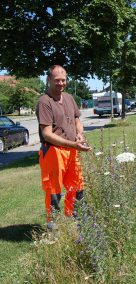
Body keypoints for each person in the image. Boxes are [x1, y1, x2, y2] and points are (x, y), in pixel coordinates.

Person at [36, 65, 91, 230]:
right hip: (53, 151)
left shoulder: (68, 97)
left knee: (77, 186)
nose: (61, 83)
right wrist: (73, 144)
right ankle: (53, 226)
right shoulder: (44, 101)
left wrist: (79, 134)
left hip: (72, 150)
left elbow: (77, 122)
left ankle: (75, 220)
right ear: (49, 80)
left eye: (63, 80)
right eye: (57, 80)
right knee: (54, 191)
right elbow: (46, 134)